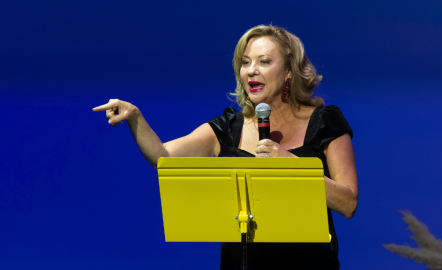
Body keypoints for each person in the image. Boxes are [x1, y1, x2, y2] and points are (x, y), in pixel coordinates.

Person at [93, 25, 358, 270]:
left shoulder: (325, 122)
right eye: (245, 63)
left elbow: (348, 203)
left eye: (264, 61)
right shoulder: (229, 128)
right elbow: (162, 156)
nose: (251, 70)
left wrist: (292, 167)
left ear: (289, 71)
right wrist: (135, 116)